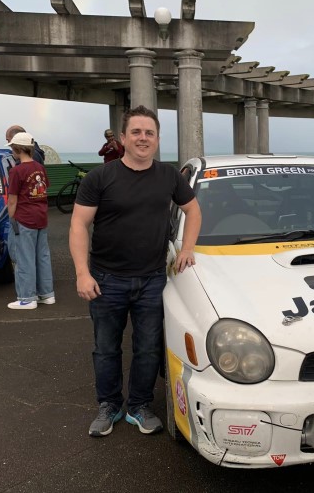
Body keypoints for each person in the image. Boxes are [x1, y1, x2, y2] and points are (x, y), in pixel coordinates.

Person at [69, 105, 201, 438]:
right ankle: (109, 405)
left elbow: (193, 211)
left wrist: (187, 249)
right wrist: (82, 273)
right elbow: (79, 224)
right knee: (106, 348)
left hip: (153, 279)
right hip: (105, 280)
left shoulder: (169, 176)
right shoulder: (102, 177)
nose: (143, 138)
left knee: (148, 348)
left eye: (150, 133)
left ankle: (140, 406)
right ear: (124, 138)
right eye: (137, 132)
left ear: (157, 140)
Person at [6, 132, 55, 310]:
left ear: (17, 149)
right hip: (41, 216)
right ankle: (47, 294)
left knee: (24, 257)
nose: (11, 150)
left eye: (12, 147)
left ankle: (27, 297)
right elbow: (43, 189)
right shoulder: (39, 168)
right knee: (42, 256)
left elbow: (12, 199)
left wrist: (11, 218)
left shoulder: (16, 171)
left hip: (24, 218)